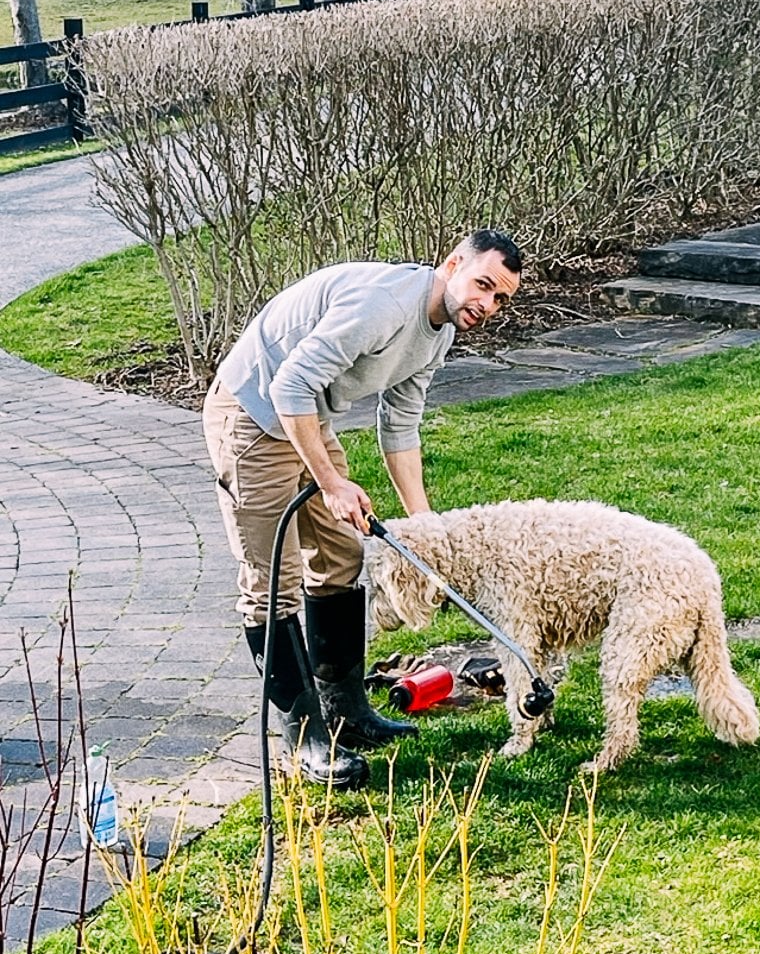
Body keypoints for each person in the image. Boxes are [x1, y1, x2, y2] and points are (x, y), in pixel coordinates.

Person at [202, 230, 523, 787]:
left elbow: (400, 425)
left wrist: (426, 529)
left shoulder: (437, 331)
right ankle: (304, 738)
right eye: (483, 285)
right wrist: (331, 483)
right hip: (252, 414)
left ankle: (344, 713)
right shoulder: (385, 304)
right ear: (452, 265)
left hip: (304, 419)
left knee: (342, 553)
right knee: (271, 580)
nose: (487, 305)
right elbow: (289, 385)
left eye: (500, 299)